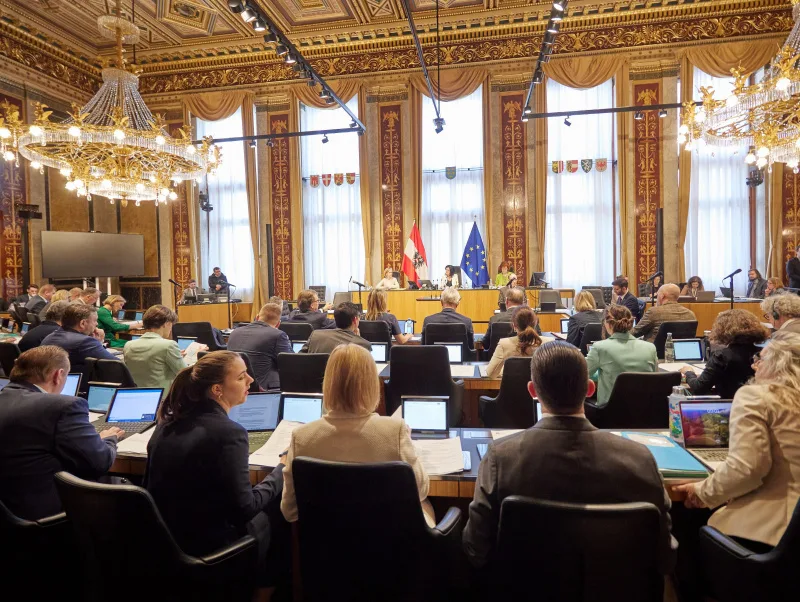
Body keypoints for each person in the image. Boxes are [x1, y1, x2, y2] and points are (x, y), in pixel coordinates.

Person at [462, 341, 676, 571]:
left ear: (532, 391)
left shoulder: (500, 458)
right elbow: (663, 554)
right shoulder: (641, 458)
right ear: (590, 389)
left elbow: (476, 547)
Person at [144, 352, 285, 595]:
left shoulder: (167, 424)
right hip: (210, 544)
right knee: (277, 512)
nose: (251, 380)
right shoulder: (229, 433)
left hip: (165, 541)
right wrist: (281, 470)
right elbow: (245, 509)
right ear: (218, 390)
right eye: (241, 378)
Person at [281, 344, 434, 525]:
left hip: (325, 550)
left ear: (328, 382)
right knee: (427, 507)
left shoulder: (301, 437)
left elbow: (289, 512)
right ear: (371, 383)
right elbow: (421, 490)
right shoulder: (396, 431)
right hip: (388, 547)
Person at [675, 332, 800, 549]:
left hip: (772, 533)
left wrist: (702, 492)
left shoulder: (757, 397)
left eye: (759, 360)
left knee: (686, 523)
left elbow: (747, 470)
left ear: (777, 364)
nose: (754, 367)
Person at [0, 346, 122, 520]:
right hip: (47, 517)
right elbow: (100, 462)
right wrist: (108, 439)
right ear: (58, 375)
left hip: (8, 517)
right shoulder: (63, 407)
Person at [680, 309, 769, 399]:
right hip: (759, 404)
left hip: (729, 407)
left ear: (722, 330)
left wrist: (689, 373)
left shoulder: (721, 356)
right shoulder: (764, 353)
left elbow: (699, 388)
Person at [586, 305, 658, 406]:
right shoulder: (650, 348)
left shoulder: (600, 347)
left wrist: (602, 373)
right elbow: (655, 378)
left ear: (607, 323)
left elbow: (581, 375)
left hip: (609, 413)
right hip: (644, 412)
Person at [42, 304, 117, 384]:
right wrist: (100, 342)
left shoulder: (49, 337)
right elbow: (116, 364)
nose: (97, 324)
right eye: (95, 320)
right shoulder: (85, 342)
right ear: (82, 323)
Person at [227, 302, 292, 391]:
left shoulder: (234, 332)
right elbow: (289, 364)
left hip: (235, 388)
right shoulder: (278, 335)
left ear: (257, 317)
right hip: (263, 390)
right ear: (278, 324)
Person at [123, 305, 189, 393]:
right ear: (167, 323)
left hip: (138, 396)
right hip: (163, 399)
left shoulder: (128, 345)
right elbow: (185, 374)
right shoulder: (169, 345)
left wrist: (176, 355)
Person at [486, 307, 544, 378]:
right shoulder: (548, 343)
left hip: (511, 388)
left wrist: (507, 370)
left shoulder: (504, 344)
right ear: (535, 324)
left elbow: (491, 374)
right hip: (538, 388)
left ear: (514, 326)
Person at [632, 283, 697, 343]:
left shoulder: (654, 312)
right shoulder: (690, 314)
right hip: (681, 352)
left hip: (655, 352)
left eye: (657, 295)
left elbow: (634, 333)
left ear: (662, 296)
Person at [300, 302, 372, 354]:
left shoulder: (315, 335)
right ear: (355, 320)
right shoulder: (363, 344)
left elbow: (299, 358)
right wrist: (357, 338)